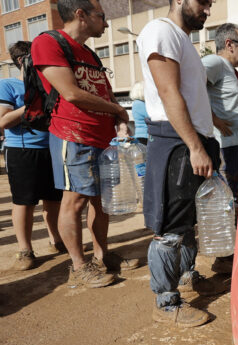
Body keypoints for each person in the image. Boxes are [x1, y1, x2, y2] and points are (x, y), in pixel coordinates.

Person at [31, 0, 139, 288]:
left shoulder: (89, 53)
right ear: (81, 15)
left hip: (103, 139)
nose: (105, 23)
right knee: (74, 200)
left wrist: (119, 117)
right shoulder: (47, 42)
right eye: (102, 17)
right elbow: (71, 93)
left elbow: (105, 91)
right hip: (73, 135)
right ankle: (79, 266)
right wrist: (116, 110)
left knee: (101, 202)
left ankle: (102, 255)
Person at [138, 0, 223, 328]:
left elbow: (193, 97)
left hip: (194, 140)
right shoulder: (161, 31)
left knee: (189, 223)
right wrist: (193, 146)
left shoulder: (182, 40)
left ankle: (187, 276)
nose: (207, 9)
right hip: (176, 142)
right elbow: (168, 92)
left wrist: (206, 141)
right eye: (203, 2)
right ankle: (165, 301)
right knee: (170, 230)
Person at [0, 41, 65, 271]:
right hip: (22, 149)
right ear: (23, 60)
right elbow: (4, 120)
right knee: (24, 201)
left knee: (54, 199)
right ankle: (25, 249)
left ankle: (56, 240)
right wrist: (32, 102)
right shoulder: (6, 84)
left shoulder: (50, 84)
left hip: (52, 147)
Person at [201, 22, 238, 275]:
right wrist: (213, 119)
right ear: (229, 44)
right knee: (232, 202)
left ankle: (235, 253)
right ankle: (225, 258)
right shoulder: (215, 62)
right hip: (228, 148)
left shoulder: (229, 70)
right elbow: (191, 85)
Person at [130, 81, 149, 146]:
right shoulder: (139, 103)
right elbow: (150, 116)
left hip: (142, 135)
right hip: (144, 135)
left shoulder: (137, 103)